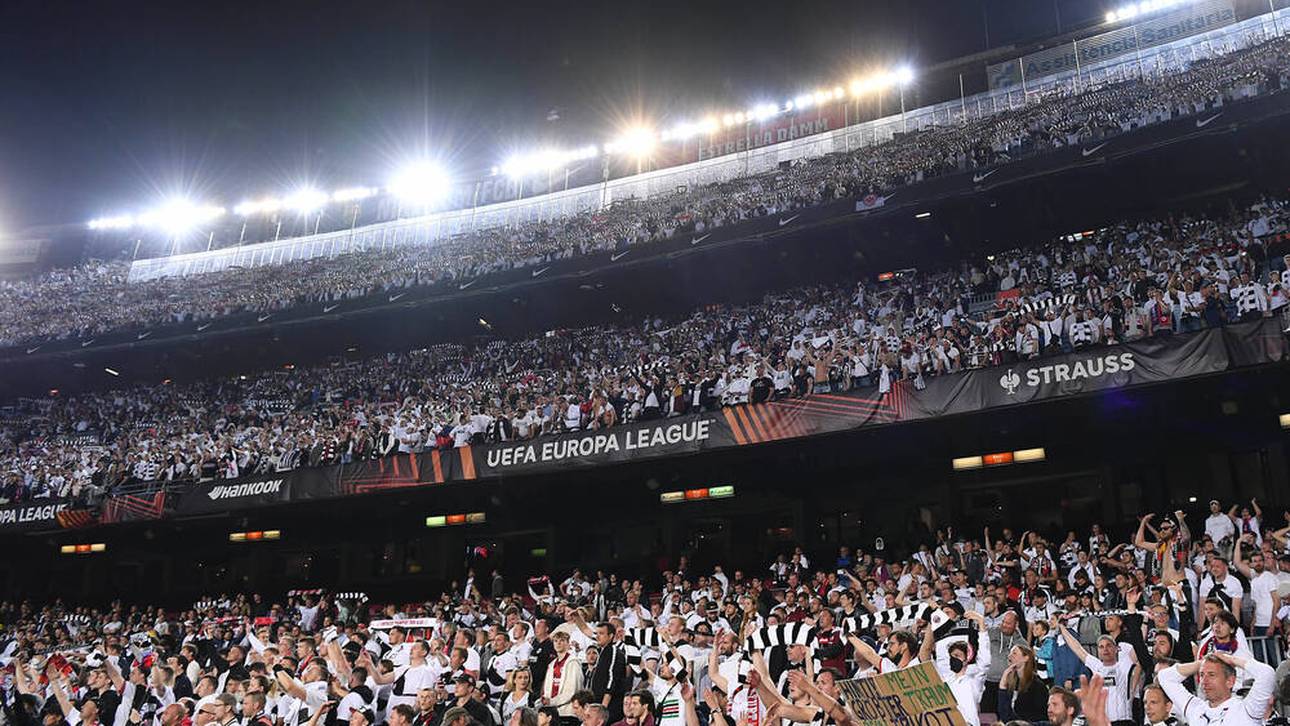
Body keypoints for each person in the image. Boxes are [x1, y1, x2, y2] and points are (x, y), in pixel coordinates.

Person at [1157, 652, 1276, 725]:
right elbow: (1165, 677)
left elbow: (1267, 674)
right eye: (1202, 675)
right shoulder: (1194, 709)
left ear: (1230, 681)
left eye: (1212, 675)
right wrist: (1201, 663)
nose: (1204, 681)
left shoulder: (1247, 709)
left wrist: (1231, 660)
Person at [1055, 621, 1137, 726]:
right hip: (1103, 722)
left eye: (1108, 646)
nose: (1105, 649)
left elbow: (1138, 648)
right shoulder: (1097, 666)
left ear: (1116, 649)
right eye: (1101, 647)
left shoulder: (1124, 665)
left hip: (1123, 722)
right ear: (1097, 650)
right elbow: (1077, 648)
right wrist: (1062, 628)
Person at [998, 644, 1046, 722]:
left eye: (1014, 653)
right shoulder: (1012, 682)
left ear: (1026, 658)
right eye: (1010, 653)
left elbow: (1041, 716)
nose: (1009, 656)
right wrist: (1002, 686)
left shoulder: (1037, 685)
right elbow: (1004, 713)